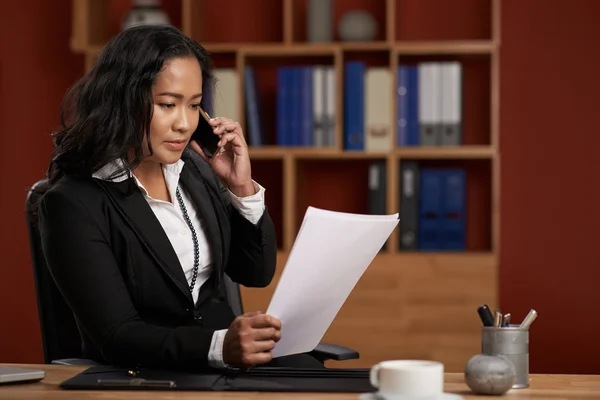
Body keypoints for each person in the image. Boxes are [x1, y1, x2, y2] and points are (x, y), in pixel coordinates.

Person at [37, 24, 296, 371]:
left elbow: (256, 271)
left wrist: (241, 187)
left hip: (229, 374)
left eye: (194, 106)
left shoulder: (193, 171)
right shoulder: (73, 203)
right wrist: (218, 346)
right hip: (146, 381)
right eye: (168, 105)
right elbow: (117, 335)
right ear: (123, 100)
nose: (184, 124)